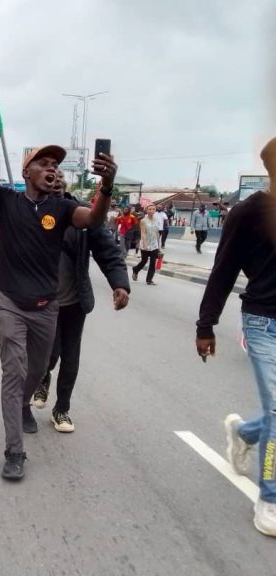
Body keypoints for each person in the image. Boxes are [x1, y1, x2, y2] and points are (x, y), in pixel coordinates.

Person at [0, 115, 115, 481]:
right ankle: (14, 451)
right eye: (44, 164)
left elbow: (93, 219)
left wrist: (106, 185)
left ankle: (25, 406)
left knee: (36, 371)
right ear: (26, 171)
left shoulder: (63, 209)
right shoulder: (5, 199)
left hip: (46, 310)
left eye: (56, 166)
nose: (51, 170)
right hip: (10, 304)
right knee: (14, 374)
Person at [195, 137, 276, 537]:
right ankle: (271, 499)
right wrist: (205, 325)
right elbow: (224, 269)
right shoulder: (247, 213)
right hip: (264, 321)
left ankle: (243, 433)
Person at [33, 171, 130, 431]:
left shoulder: (84, 216)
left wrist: (119, 283)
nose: (56, 183)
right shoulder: (32, 212)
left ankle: (62, 409)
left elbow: (107, 251)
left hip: (74, 301)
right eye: (50, 178)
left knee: (71, 357)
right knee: (48, 354)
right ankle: (42, 377)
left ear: (67, 187)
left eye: (61, 179)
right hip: (43, 302)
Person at [131, 203, 161, 285]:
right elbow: (143, 233)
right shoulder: (143, 221)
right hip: (145, 243)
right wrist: (145, 244)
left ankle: (149, 279)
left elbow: (157, 233)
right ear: (146, 211)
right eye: (150, 209)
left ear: (155, 210)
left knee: (152, 262)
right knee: (144, 261)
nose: (151, 210)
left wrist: (159, 246)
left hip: (154, 244)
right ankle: (135, 269)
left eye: (153, 209)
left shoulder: (157, 220)